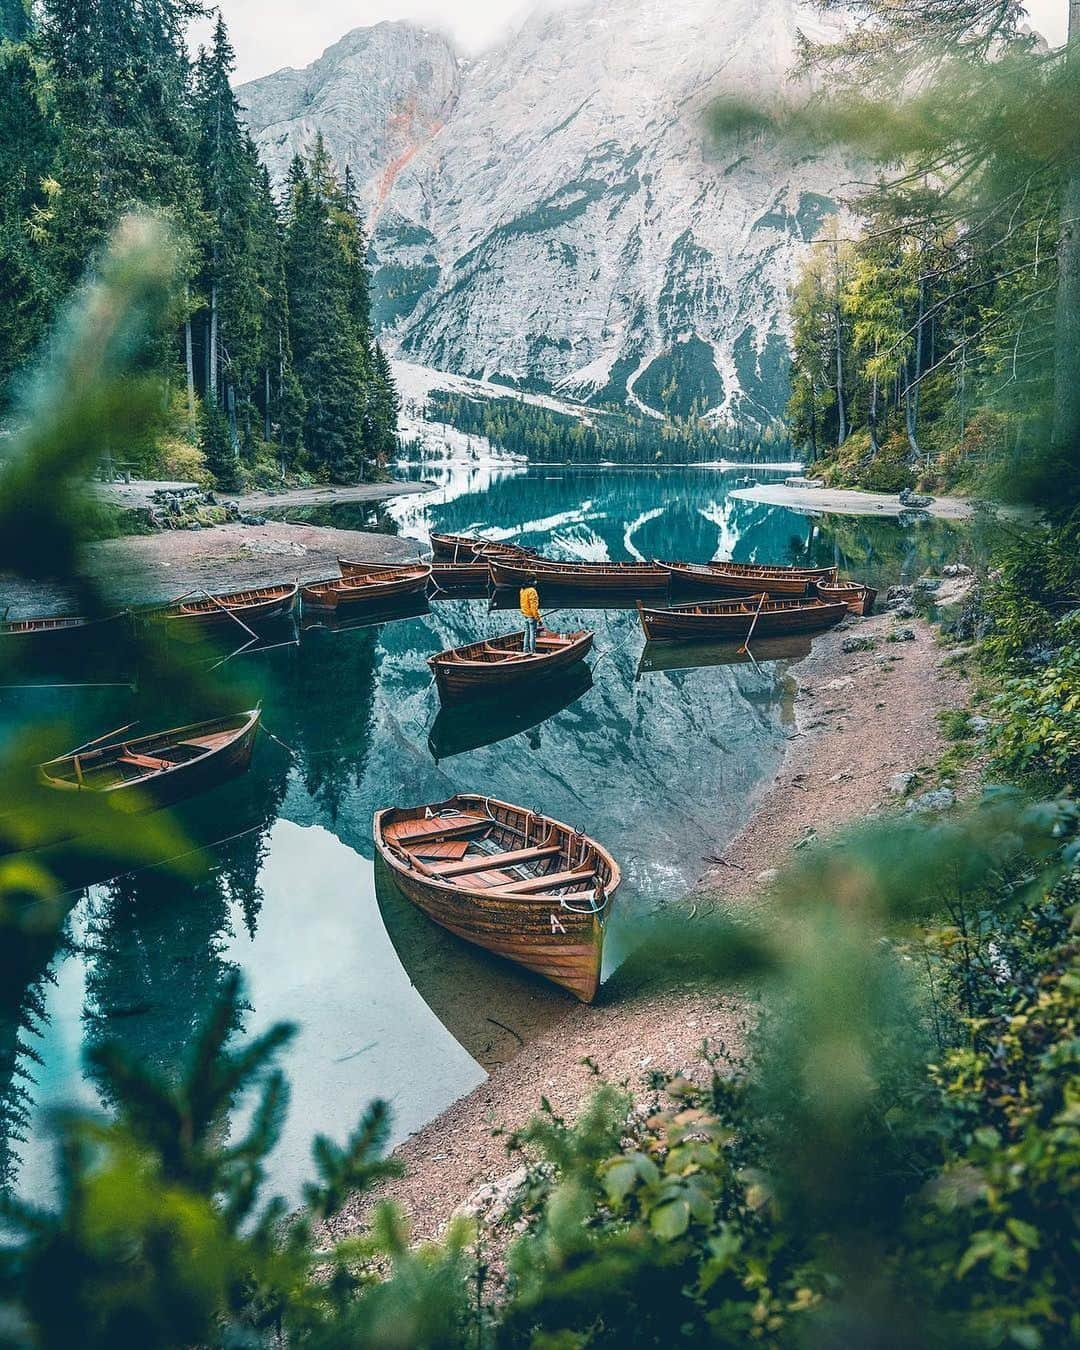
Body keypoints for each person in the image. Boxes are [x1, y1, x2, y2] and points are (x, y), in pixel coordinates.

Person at [520, 574, 541, 653]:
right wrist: (538, 619)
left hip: (525, 615)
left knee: (527, 632)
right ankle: (533, 651)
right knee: (533, 634)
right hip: (532, 617)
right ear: (532, 581)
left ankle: (525, 649)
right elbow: (533, 608)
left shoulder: (522, 590)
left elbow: (523, 604)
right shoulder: (532, 591)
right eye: (535, 580)